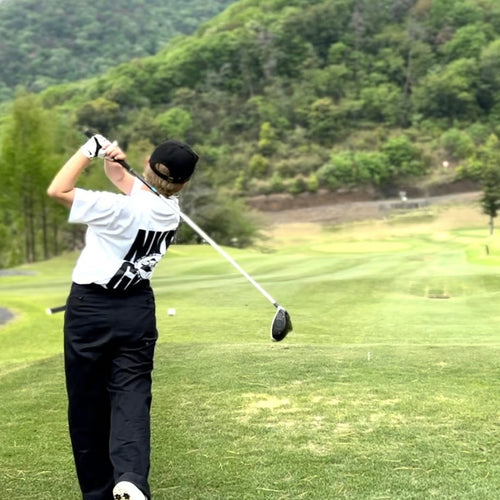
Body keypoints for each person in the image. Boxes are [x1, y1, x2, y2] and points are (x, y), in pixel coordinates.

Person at [47, 133, 199, 500]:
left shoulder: (116, 208)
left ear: (148, 163)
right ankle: (130, 477)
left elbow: (59, 189)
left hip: (89, 310)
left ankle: (98, 491)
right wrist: (113, 163)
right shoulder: (169, 211)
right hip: (136, 310)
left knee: (87, 401)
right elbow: (127, 183)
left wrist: (88, 150)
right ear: (184, 182)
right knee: (131, 394)